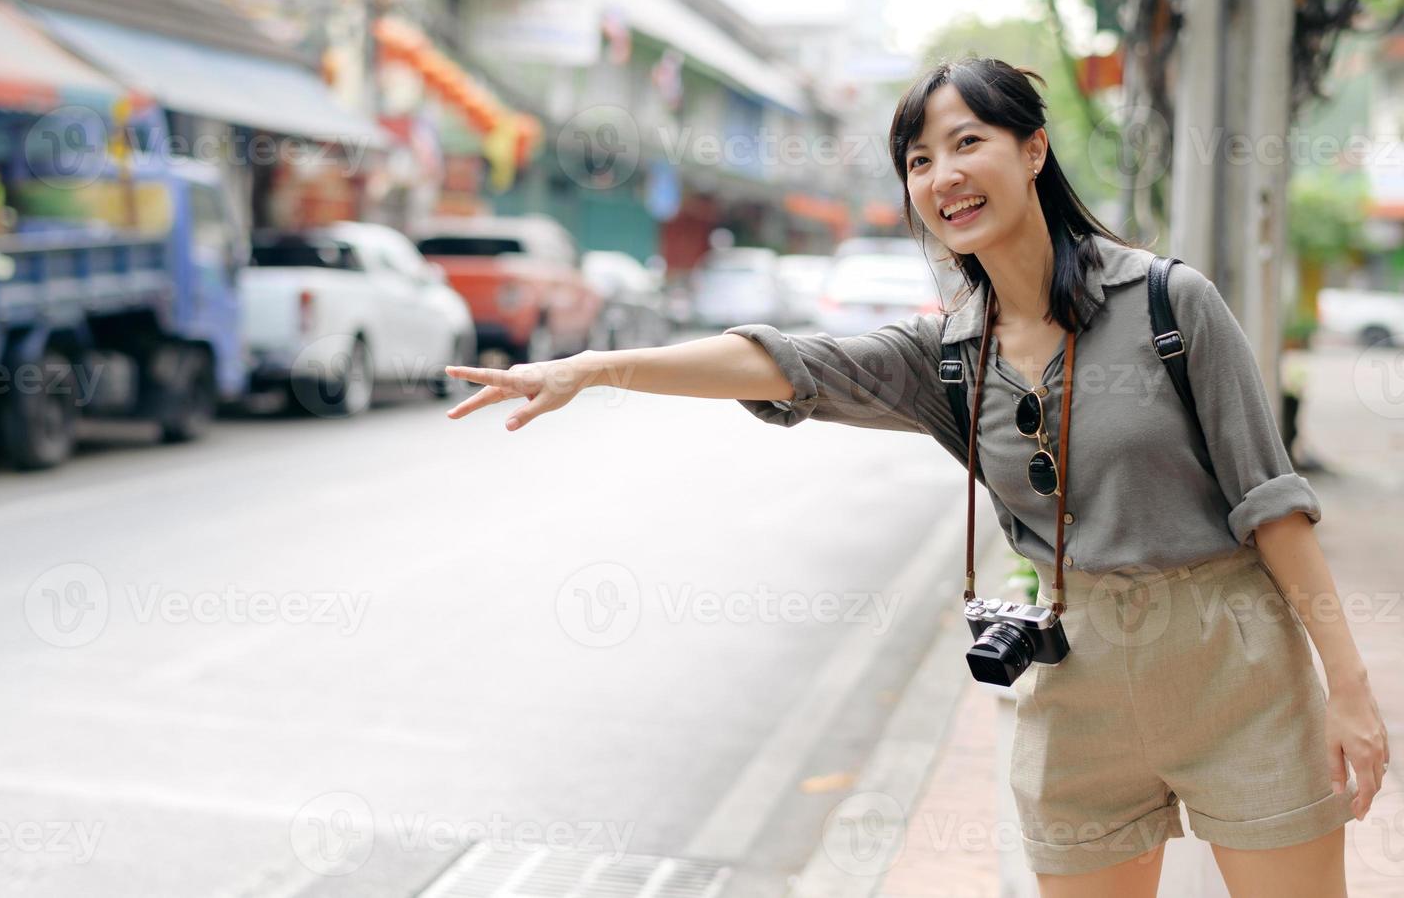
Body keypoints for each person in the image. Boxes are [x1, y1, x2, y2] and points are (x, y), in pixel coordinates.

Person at [442, 56, 1390, 898]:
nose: (942, 177)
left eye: (966, 142)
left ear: (1032, 152)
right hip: (1078, 680)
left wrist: (1347, 689)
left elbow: (1273, 507)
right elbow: (784, 362)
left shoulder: (1169, 303)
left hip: (1238, 671)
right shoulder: (946, 356)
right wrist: (596, 368)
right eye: (919, 161)